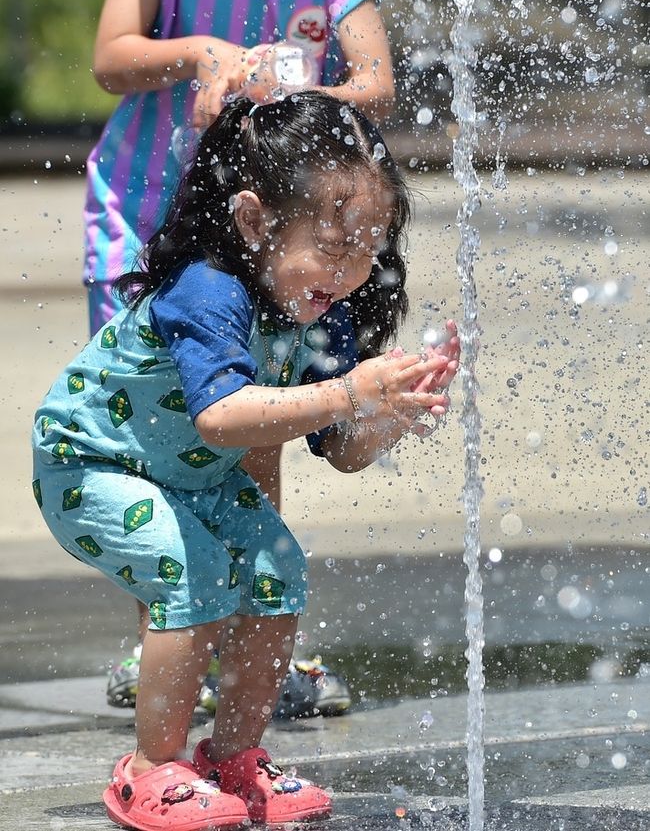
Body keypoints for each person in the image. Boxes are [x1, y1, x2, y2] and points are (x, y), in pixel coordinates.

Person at [33, 91, 459, 831]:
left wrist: (391, 413)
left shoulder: (319, 312)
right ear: (255, 221)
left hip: (188, 475)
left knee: (278, 569)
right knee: (191, 572)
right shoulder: (208, 290)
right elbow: (222, 416)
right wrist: (348, 391)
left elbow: (343, 452)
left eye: (369, 250)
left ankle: (233, 757)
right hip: (92, 463)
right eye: (333, 246)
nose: (351, 273)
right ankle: (149, 770)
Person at [86, 0, 399, 692]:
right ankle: (163, 638)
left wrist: (279, 104)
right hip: (149, 210)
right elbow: (110, 59)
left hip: (283, 230)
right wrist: (203, 54)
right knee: (152, 429)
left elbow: (376, 86)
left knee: (256, 428)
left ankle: (252, 648)